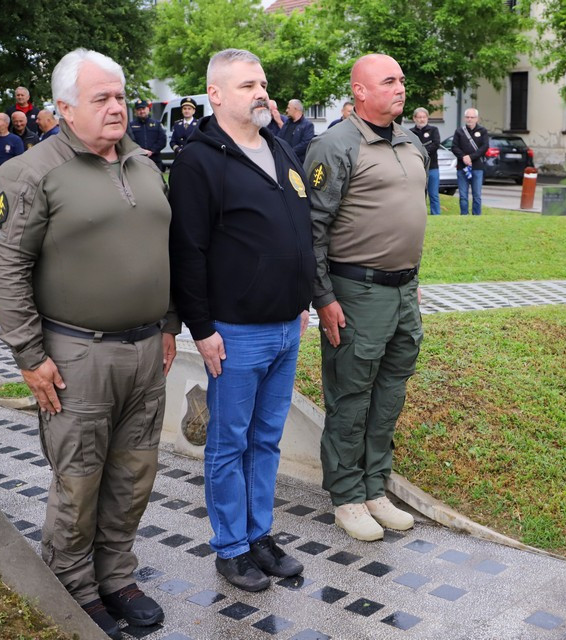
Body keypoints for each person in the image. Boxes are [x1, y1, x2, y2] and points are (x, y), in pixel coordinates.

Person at [0, 48, 179, 640]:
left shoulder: (144, 164)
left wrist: (168, 323)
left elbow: (161, 246)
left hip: (146, 350)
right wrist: (29, 355)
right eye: (102, 98)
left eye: (120, 95)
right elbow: (6, 267)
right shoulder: (31, 172)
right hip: (76, 356)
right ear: (64, 107)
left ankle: (116, 574)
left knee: (135, 469)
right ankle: (73, 583)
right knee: (80, 477)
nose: (117, 106)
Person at [168, 48, 314, 593]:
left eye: (264, 83)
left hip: (285, 326)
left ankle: (259, 535)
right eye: (249, 84)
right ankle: (230, 547)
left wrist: (301, 301)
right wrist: (202, 329)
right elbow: (187, 251)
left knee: (266, 440)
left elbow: (301, 231)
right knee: (229, 442)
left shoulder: (279, 149)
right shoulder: (198, 161)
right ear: (216, 94)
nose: (261, 92)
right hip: (234, 332)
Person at [304, 53, 427, 542]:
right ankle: (347, 495)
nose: (400, 87)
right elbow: (312, 229)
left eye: (401, 78)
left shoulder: (410, 140)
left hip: (403, 291)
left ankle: (376, 486)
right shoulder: (335, 145)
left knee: (390, 391)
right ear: (358, 90)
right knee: (351, 394)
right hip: (355, 292)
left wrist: (411, 285)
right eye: (389, 80)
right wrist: (323, 298)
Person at [451, 107, 489, 216]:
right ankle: (464, 215)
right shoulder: (459, 131)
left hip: (477, 167)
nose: (470, 119)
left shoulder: (483, 131)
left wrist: (471, 157)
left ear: (477, 118)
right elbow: (454, 147)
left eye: (472, 117)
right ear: (464, 118)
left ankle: (476, 216)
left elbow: (484, 147)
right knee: (463, 195)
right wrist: (463, 157)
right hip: (462, 167)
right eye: (468, 117)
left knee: (477, 195)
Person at [409, 107, 441, 216]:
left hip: (432, 167)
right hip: (417, 168)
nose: (422, 119)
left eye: (424, 117)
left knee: (433, 194)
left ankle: (436, 215)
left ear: (427, 118)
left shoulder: (434, 130)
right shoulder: (410, 132)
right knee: (418, 194)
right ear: (414, 118)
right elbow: (409, 147)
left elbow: (435, 144)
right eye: (419, 117)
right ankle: (419, 215)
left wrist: (422, 152)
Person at [127, 100, 166, 171]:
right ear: (135, 112)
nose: (141, 111)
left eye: (143, 109)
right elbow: (129, 141)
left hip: (155, 160)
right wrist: (141, 151)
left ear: (148, 109)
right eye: (139, 109)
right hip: (138, 160)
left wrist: (152, 151)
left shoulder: (156, 124)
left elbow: (162, 140)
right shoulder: (131, 126)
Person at [278, 99, 314, 163]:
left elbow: (306, 143)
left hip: (298, 162)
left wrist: (290, 152)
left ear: (295, 109)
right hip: (284, 160)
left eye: (288, 108)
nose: (286, 110)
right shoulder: (287, 123)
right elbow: (279, 138)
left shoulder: (307, 125)